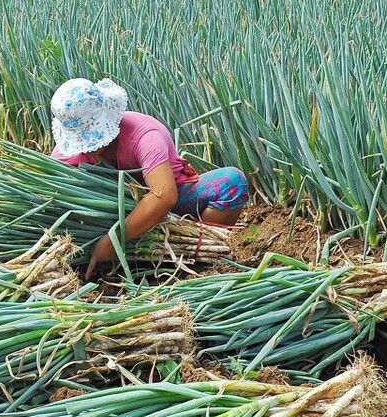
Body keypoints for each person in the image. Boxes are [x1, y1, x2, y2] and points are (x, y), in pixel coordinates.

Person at [49, 78, 249, 277]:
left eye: (91, 140)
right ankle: (127, 259)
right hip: (111, 210)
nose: (89, 148)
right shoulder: (67, 153)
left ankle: (195, 256)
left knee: (232, 182)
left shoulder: (144, 136)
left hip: (177, 203)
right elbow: (53, 193)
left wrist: (114, 240)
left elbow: (164, 196)